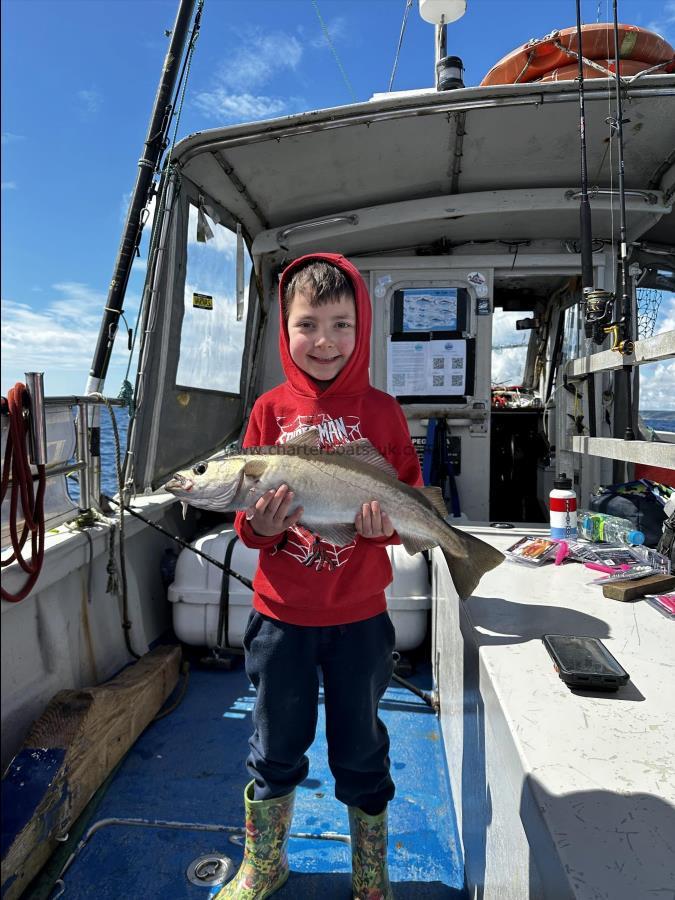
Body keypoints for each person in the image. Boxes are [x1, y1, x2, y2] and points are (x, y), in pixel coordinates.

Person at [216, 253, 422, 900]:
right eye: (307, 325)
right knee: (274, 744)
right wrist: (266, 526)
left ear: (362, 330)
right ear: (285, 329)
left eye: (341, 324)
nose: (325, 341)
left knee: (360, 748)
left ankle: (369, 871)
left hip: (361, 617)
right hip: (280, 618)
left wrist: (382, 528)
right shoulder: (268, 411)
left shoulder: (383, 414)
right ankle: (265, 862)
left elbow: (406, 499)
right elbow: (249, 528)